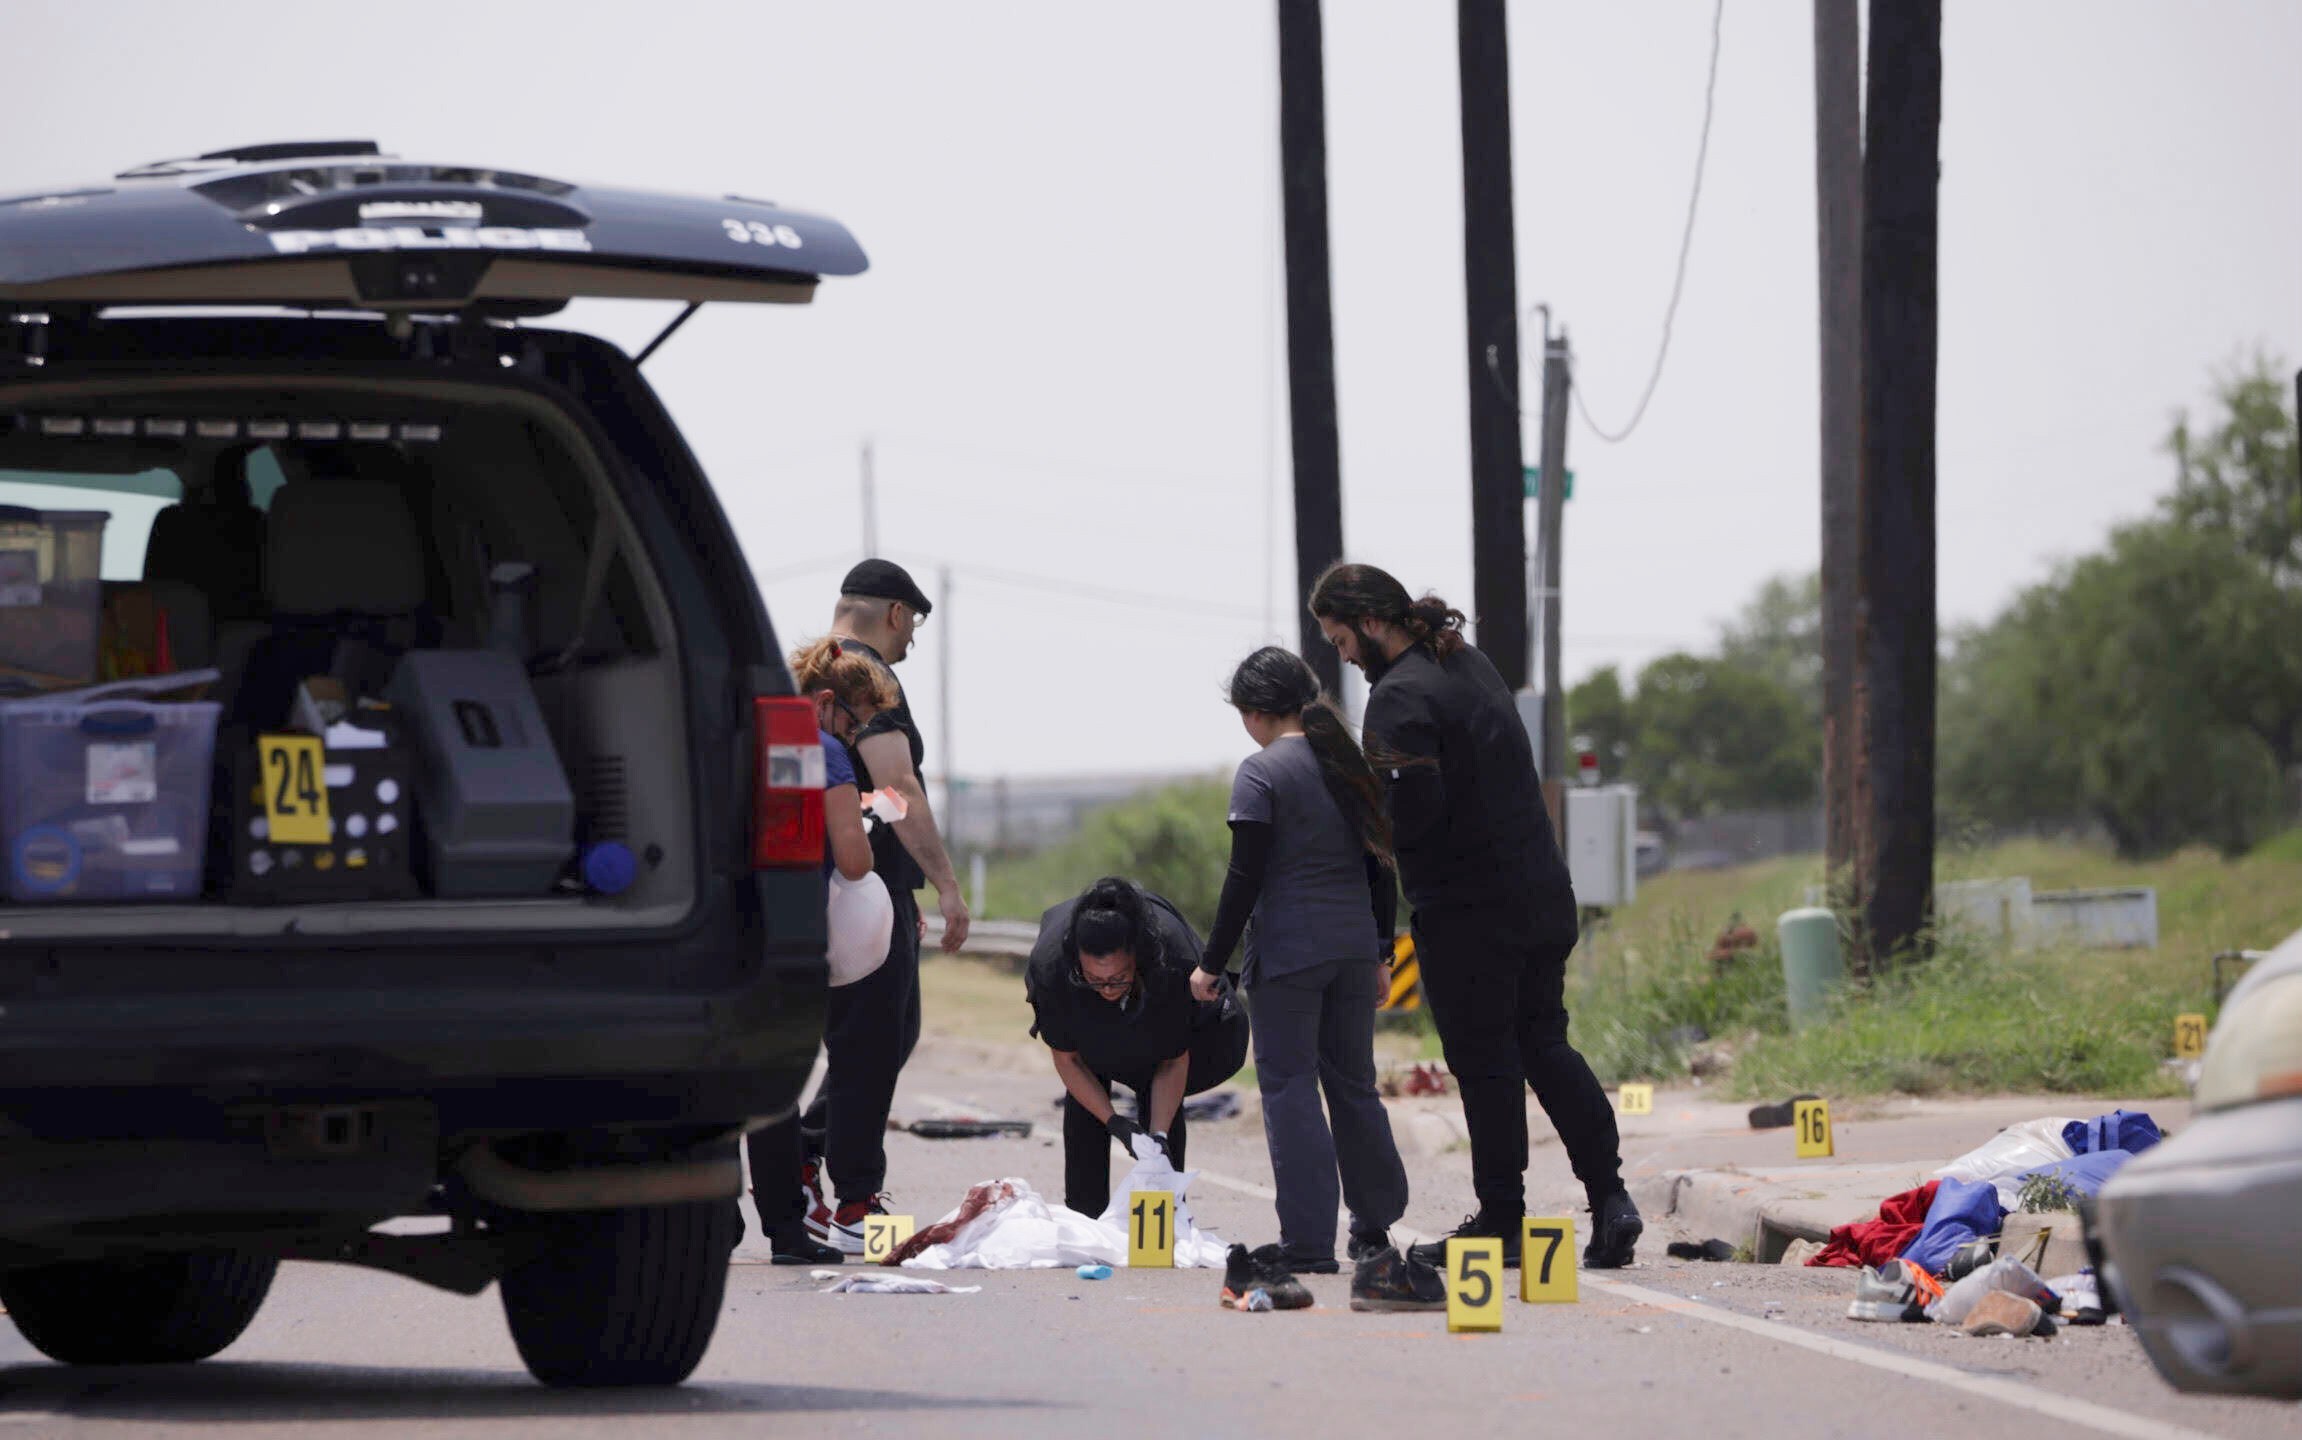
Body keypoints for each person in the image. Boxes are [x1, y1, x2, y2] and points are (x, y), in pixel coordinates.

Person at [1309, 562, 1643, 1271]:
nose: (1342, 657)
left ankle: (1502, 1221)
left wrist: (1362, 812)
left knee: (1487, 1068)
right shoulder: (1467, 664)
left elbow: (1415, 826)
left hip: (1470, 916)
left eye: (1341, 641)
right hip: (1542, 896)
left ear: (1371, 624)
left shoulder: (1399, 700)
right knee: (1546, 1046)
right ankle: (1611, 1199)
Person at [1189, 646, 1410, 1277]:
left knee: (1289, 1089)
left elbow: (1244, 877)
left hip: (1288, 953)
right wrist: (1381, 953)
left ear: (1256, 712)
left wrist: (1211, 964)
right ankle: (1373, 1230)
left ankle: (1309, 1242)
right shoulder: (1349, 764)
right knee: (1354, 1086)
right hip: (1350, 948)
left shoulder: (1260, 773)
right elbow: (1380, 866)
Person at [800, 559, 973, 1254]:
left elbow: (865, 796)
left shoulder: (811, 670)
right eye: (913, 626)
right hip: (854, 884)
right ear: (897, 613)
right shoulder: (864, 676)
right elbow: (896, 785)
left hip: (832, 887)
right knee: (874, 1044)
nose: (911, 642)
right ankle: (855, 1204)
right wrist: (946, 884)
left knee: (875, 1041)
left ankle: (807, 1158)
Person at [746, 636, 897, 1264]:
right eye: (856, 721)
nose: (855, 736)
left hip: (728, 926)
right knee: (785, 1079)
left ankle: (722, 1216)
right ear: (828, 701)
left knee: (745, 1079)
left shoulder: (745, 731)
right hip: (793, 926)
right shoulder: (822, 749)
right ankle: (789, 1228)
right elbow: (856, 863)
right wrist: (865, 821)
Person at [1025, 877, 1249, 1218]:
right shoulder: (1052, 967)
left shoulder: (1172, 962)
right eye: (1095, 979)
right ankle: (1087, 1214)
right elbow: (1068, 1060)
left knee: (1155, 1099)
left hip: (1187, 1033)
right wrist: (1114, 1122)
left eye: (1117, 978)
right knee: (1087, 1095)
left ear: (1136, 958)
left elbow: (1173, 1062)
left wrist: (1157, 1136)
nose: (1107, 989)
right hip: (1093, 1035)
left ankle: (1163, 1208)